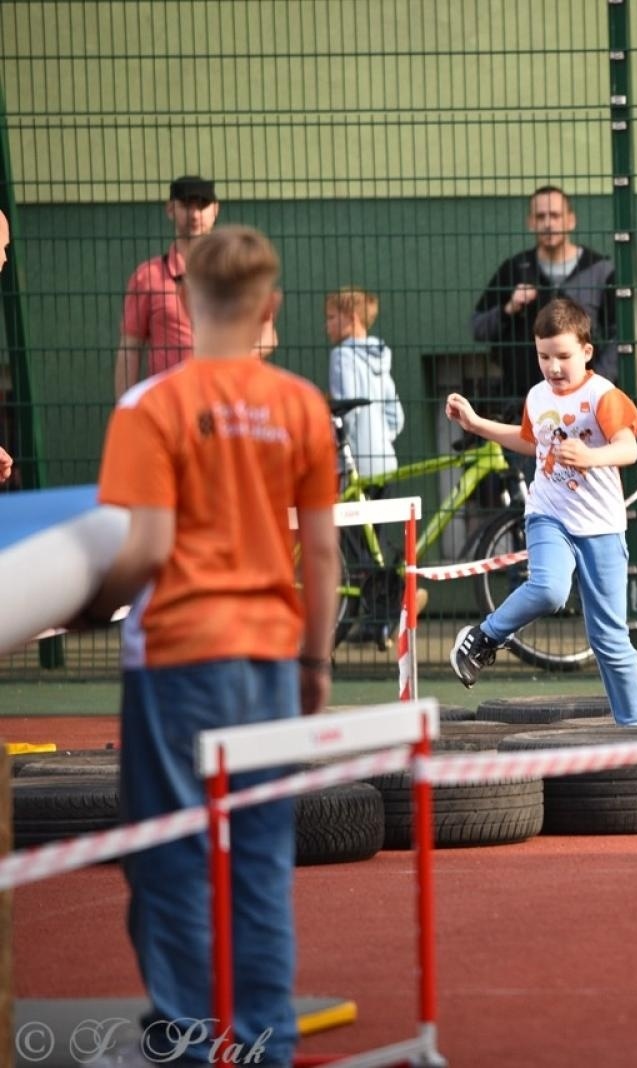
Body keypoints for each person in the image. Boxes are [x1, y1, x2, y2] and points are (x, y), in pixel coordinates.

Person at [90, 224, 338, 1066]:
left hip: (178, 658)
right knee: (261, 853)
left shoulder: (151, 407)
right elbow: (323, 550)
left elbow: (147, 550)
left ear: (187, 305)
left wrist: (86, 604)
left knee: (174, 854)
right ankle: (264, 1043)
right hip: (270, 655)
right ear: (270, 308)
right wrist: (316, 659)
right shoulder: (300, 405)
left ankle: (188, 1044)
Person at [446, 299, 637, 728]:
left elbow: (628, 448)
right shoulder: (538, 396)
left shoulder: (602, 394)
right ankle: (484, 637)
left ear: (586, 352)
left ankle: (634, 730)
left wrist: (591, 456)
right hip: (548, 514)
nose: (553, 367)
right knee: (550, 589)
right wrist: (477, 423)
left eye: (563, 356)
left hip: (602, 525)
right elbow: (529, 440)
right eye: (544, 356)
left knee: (610, 638)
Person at [471, 186, 618, 404]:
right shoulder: (515, 269)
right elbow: (477, 328)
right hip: (524, 400)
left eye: (556, 216)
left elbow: (621, 337)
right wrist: (508, 309)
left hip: (584, 401)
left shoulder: (600, 270)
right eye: (541, 216)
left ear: (571, 220)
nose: (549, 223)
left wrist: (597, 385)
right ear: (531, 222)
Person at [116, 175, 220, 397]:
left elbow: (266, 336)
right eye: (185, 205)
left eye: (202, 205)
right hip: (168, 405)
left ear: (215, 210)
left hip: (223, 403)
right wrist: (126, 411)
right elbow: (130, 350)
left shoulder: (233, 272)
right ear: (170, 209)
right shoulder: (147, 276)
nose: (194, 214)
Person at [325, 286, 403, 478]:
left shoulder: (341, 356)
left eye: (331, 317)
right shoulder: (380, 356)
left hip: (354, 466)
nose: (327, 325)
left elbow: (346, 410)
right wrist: (379, 440)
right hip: (385, 462)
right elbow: (396, 417)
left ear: (352, 318)